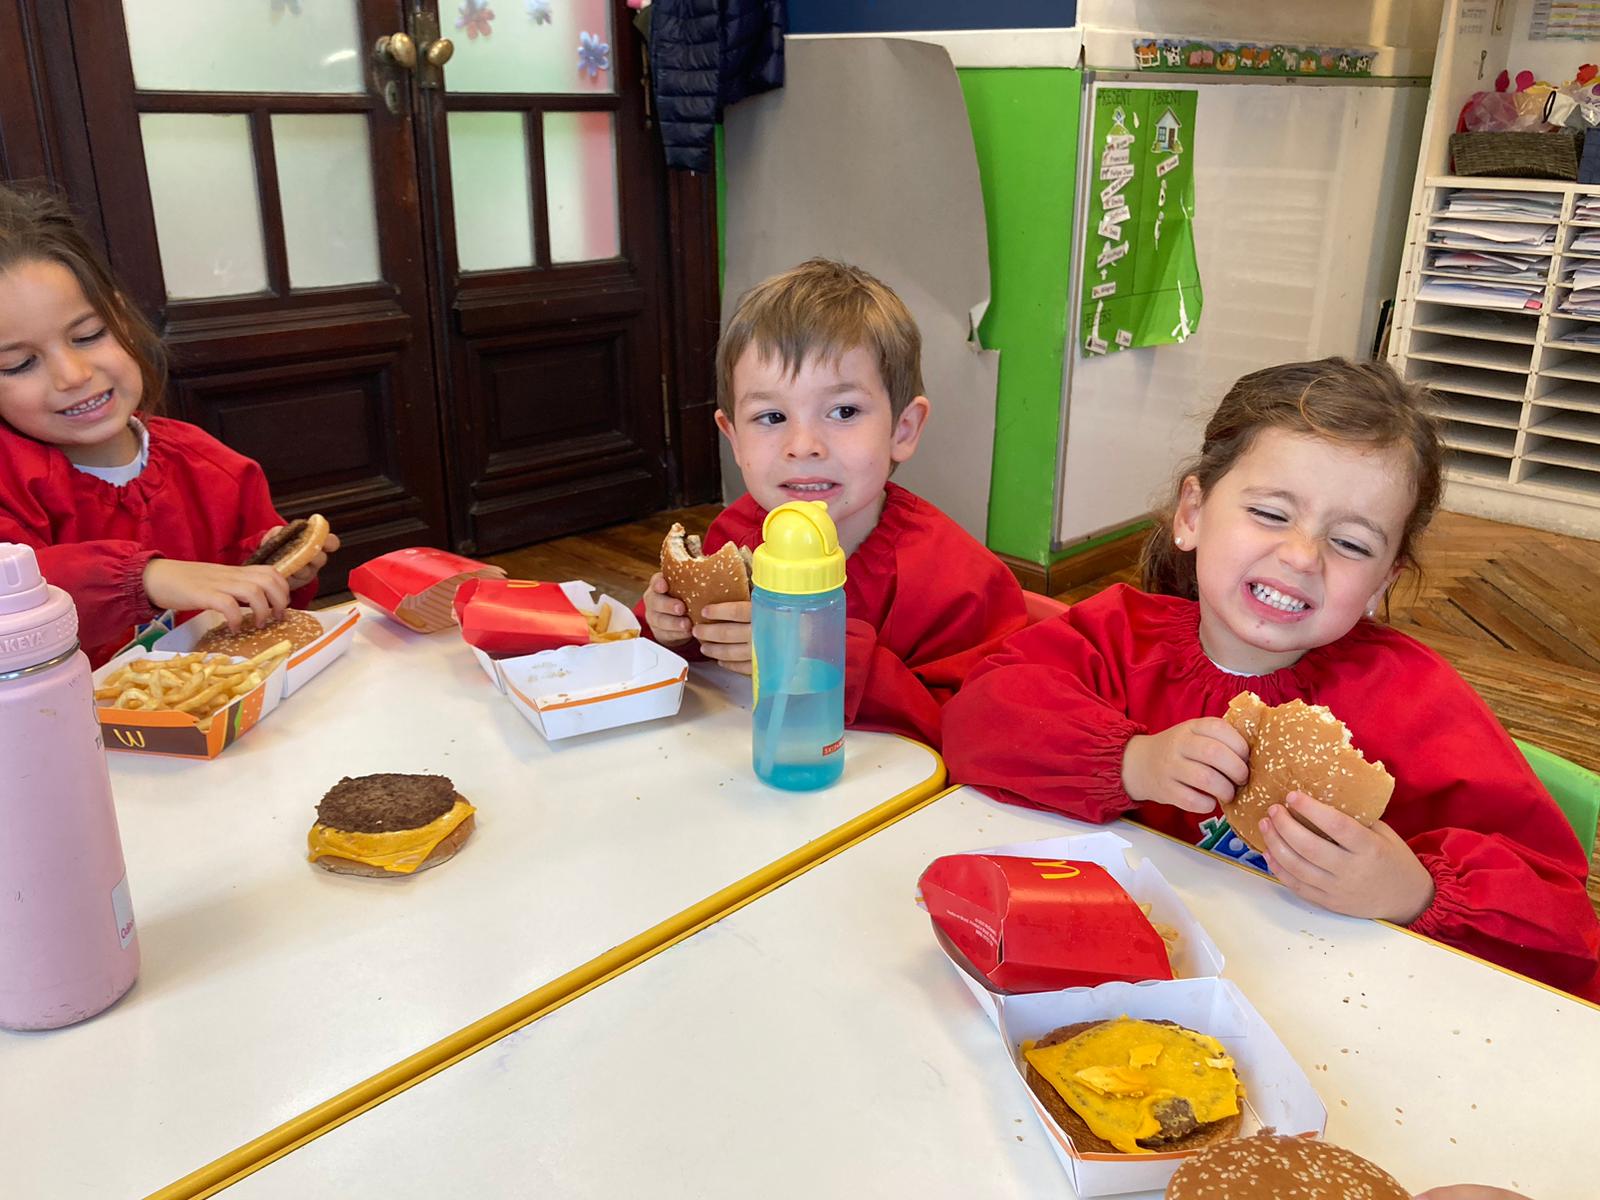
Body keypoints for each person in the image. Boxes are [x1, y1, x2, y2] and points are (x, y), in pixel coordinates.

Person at [943, 358, 1600, 1000]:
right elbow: (979, 721)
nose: (1301, 556)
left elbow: (1561, 913)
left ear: (1383, 582)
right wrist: (1129, 761)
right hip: (1115, 979)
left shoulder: (1417, 701)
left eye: (1351, 544)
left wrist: (1414, 892)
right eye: (1271, 513)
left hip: (1335, 1003)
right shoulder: (1117, 637)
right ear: (1193, 513)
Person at [639, 258, 1027, 747]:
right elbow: (702, 670)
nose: (803, 446)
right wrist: (669, 628)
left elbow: (984, 729)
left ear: (902, 430)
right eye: (771, 416)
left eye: (843, 411)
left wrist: (826, 655)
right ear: (733, 438)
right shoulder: (732, 540)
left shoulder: (963, 584)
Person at [0, 184, 337, 666]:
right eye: (18, 364)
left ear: (121, 318)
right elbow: (15, 598)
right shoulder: (10, 478)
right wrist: (143, 578)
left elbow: (259, 625)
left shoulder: (211, 466)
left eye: (89, 335)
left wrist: (277, 578)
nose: (72, 375)